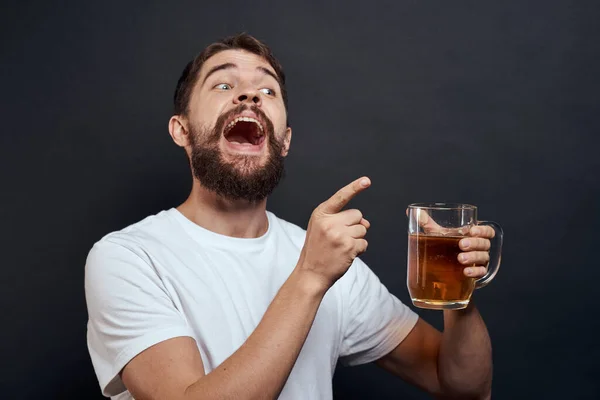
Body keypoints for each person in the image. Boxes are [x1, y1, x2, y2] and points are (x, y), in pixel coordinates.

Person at [85, 33, 496, 400]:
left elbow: (460, 385)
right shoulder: (128, 257)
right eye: (224, 84)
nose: (249, 96)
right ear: (182, 130)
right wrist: (311, 277)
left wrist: (458, 295)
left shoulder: (325, 259)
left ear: (284, 141)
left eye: (267, 90)